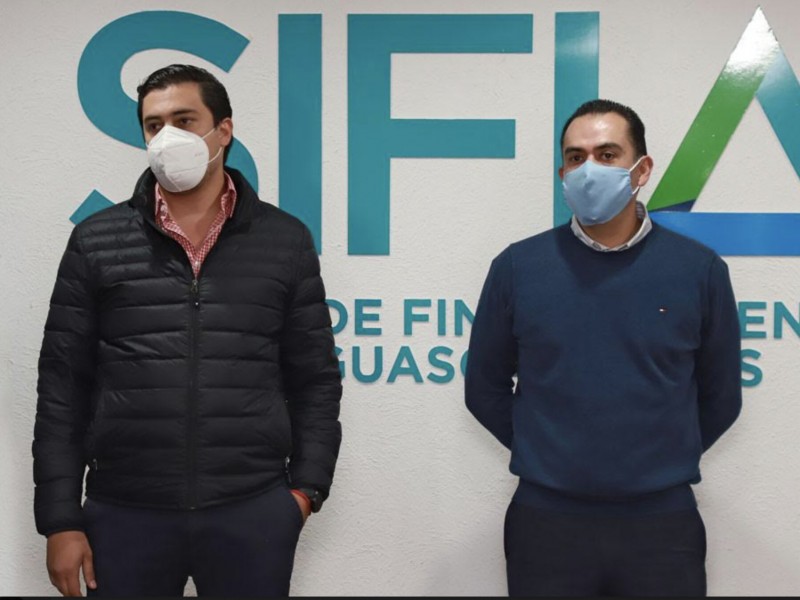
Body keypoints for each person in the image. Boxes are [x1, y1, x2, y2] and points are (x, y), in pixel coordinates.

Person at [33, 64, 342, 597]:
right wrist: (60, 520)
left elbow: (314, 378)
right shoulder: (96, 241)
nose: (167, 137)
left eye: (184, 120)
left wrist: (303, 493)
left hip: (252, 510)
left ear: (223, 131)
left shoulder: (284, 240)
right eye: (154, 125)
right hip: (124, 512)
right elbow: (63, 387)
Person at [465, 99, 742, 597]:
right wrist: (549, 452)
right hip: (546, 524)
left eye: (608, 154)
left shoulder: (699, 270)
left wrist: (657, 459)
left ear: (642, 170)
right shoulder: (517, 268)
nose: (589, 169)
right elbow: (483, 388)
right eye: (576, 158)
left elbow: (721, 397)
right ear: (562, 174)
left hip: (663, 526)